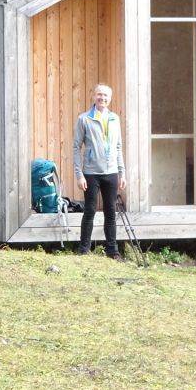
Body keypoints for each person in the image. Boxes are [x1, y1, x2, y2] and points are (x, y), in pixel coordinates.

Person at [72, 83, 126, 259]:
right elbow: (75, 148)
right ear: (94, 96)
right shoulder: (84, 119)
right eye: (99, 95)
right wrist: (79, 175)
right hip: (91, 173)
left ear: (110, 99)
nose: (102, 98)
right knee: (90, 211)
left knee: (111, 212)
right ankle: (84, 249)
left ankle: (113, 251)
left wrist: (122, 173)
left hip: (111, 174)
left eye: (105, 96)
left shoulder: (114, 119)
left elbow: (118, 147)